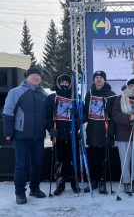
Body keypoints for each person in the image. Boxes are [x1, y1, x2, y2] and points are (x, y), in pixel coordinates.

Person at [3, 67, 48, 204]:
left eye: (38, 76)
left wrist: (51, 130)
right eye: (33, 75)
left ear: (40, 78)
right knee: (22, 165)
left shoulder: (43, 94)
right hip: (22, 136)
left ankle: (34, 188)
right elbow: (8, 113)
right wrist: (8, 133)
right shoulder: (15, 92)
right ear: (26, 77)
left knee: (37, 164)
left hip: (38, 136)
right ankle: (20, 193)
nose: (35, 77)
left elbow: (47, 115)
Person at [46, 73, 80, 196]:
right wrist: (50, 129)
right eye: (62, 82)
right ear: (58, 83)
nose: (64, 84)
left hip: (72, 135)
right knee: (59, 160)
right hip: (58, 134)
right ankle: (60, 184)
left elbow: (82, 116)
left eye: (67, 82)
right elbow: (47, 116)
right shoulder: (52, 98)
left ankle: (75, 182)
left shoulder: (76, 97)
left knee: (73, 160)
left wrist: (77, 114)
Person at [83, 70, 116, 194]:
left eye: (101, 77)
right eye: (96, 77)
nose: (98, 79)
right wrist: (79, 117)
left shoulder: (112, 94)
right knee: (92, 158)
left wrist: (112, 132)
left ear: (105, 80)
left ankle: (103, 181)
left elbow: (114, 115)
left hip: (105, 131)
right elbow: (86, 113)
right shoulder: (89, 94)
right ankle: (93, 180)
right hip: (92, 131)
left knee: (104, 158)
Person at [112, 77, 134, 194]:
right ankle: (126, 182)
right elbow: (115, 115)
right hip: (123, 134)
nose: (133, 88)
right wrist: (129, 117)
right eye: (131, 86)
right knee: (125, 160)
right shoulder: (119, 99)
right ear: (127, 86)